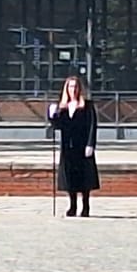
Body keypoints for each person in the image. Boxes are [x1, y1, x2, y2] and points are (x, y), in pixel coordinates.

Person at [47, 74, 100, 218]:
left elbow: (92, 126)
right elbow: (58, 126)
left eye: (75, 86)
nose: (73, 89)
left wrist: (90, 144)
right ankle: (72, 205)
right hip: (67, 146)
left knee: (84, 177)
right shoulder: (63, 107)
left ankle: (85, 206)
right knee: (70, 177)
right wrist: (52, 116)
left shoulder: (87, 105)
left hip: (82, 146)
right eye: (70, 86)